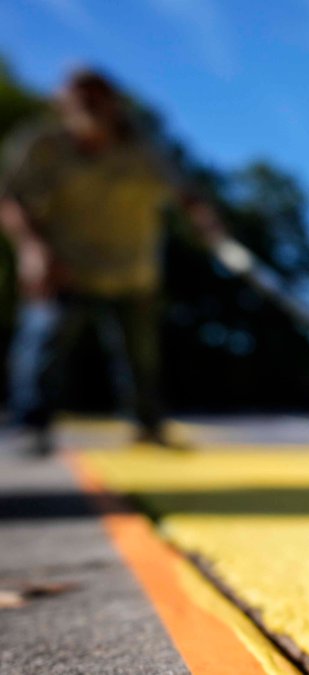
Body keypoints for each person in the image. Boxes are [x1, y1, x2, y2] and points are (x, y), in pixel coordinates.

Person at [0, 67, 224, 457]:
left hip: (132, 269)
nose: (87, 106)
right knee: (43, 339)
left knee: (141, 356)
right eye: (77, 98)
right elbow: (11, 199)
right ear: (61, 105)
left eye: (95, 97)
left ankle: (148, 425)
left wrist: (206, 223)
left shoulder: (145, 151)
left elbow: (186, 193)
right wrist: (33, 250)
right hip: (65, 268)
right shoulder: (42, 147)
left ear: (113, 103)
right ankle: (31, 426)